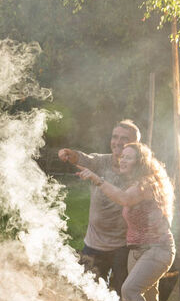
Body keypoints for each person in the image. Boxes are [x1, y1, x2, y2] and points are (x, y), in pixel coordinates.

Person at [77, 143, 175, 301]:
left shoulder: (147, 184)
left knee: (130, 290)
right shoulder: (135, 183)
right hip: (136, 250)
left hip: (156, 249)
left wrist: (97, 179)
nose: (122, 160)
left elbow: (124, 199)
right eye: (122, 156)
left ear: (141, 162)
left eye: (128, 157)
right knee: (150, 299)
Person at [58, 120, 140, 291]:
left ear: (135, 144)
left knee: (120, 297)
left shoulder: (139, 171)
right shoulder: (101, 161)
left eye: (124, 138)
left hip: (123, 247)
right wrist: (68, 153)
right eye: (114, 137)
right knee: (87, 294)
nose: (117, 142)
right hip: (94, 245)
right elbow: (84, 158)